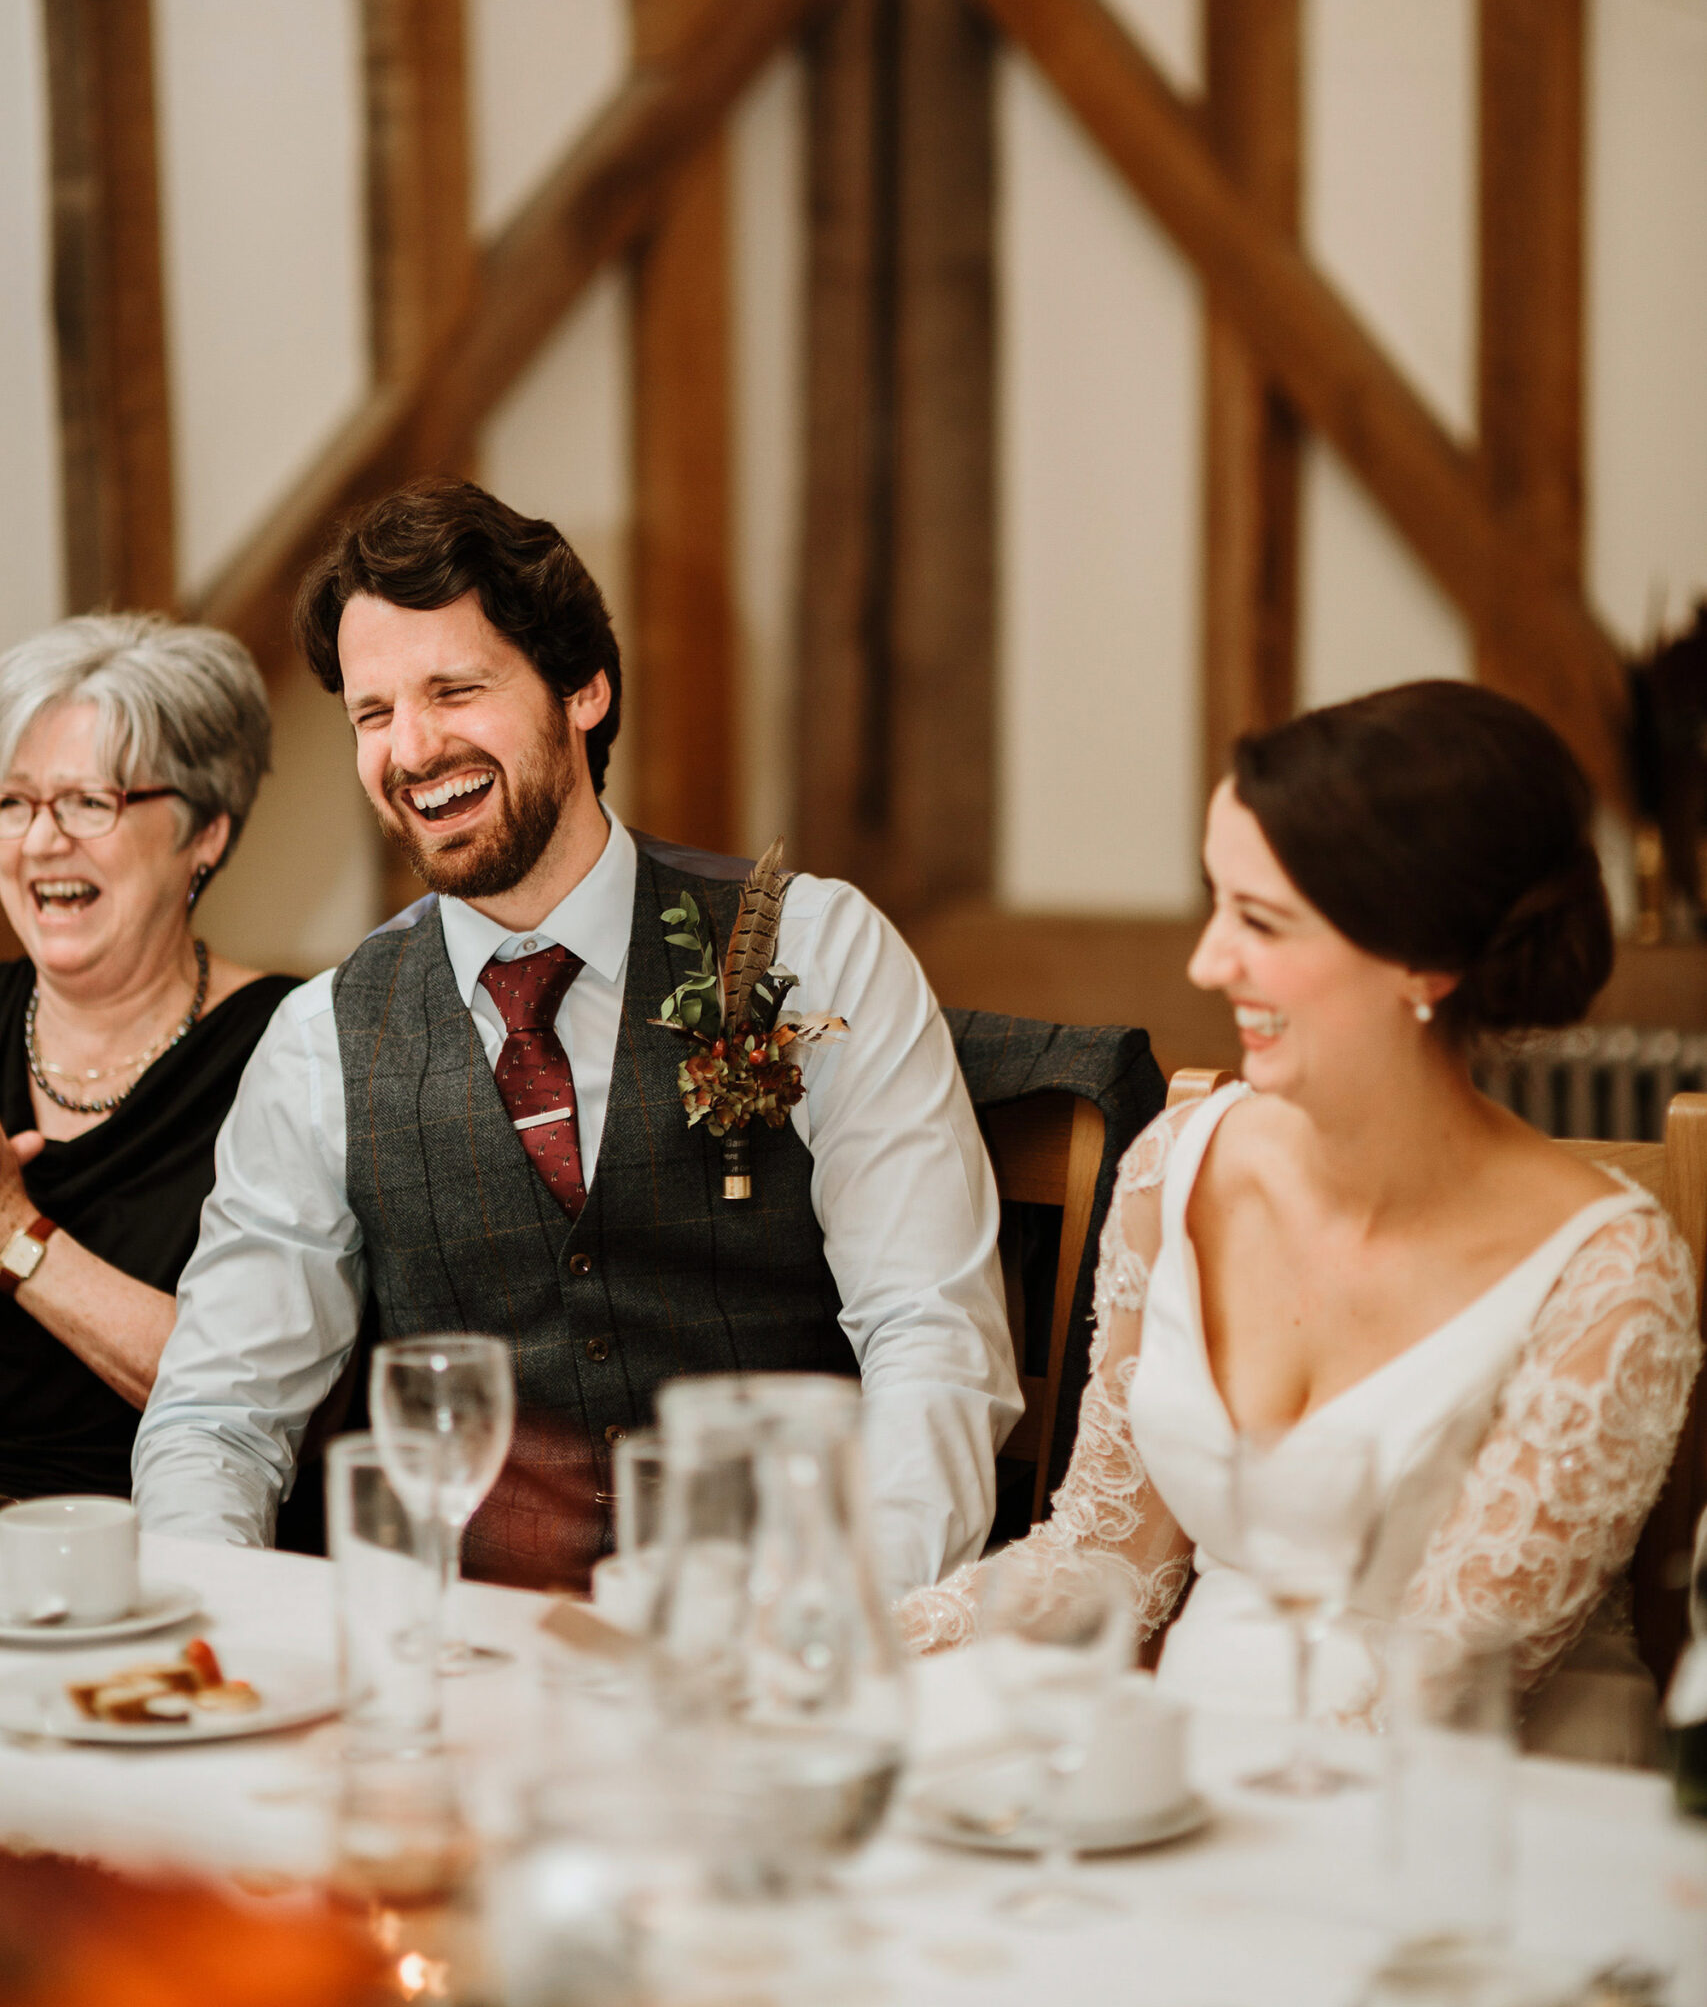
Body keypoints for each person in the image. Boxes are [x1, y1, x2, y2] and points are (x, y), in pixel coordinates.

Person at [132, 482, 1021, 1591]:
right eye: (373, 713)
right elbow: (219, 1416)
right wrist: (217, 1638)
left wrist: (845, 1629)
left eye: (455, 688)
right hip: (472, 1675)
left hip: (783, 1638)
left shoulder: (814, 945)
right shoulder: (322, 1039)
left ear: (583, 688)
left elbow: (932, 1337)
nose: (411, 749)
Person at [900, 682, 1702, 1745]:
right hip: (1174, 1782)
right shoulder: (1176, 1168)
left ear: (1426, 958)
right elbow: (1102, 1558)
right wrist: (840, 1644)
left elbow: (1443, 1693)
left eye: (1261, 921)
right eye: (1216, 903)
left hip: (1473, 1814)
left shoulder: (1612, 1278)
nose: (1206, 962)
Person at [0, 616, 295, 1505]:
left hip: (157, 1569)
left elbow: (264, 1384)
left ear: (205, 830)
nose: (41, 840)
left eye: (91, 801)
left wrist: (17, 1237)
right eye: (14, 801)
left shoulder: (291, 1047)